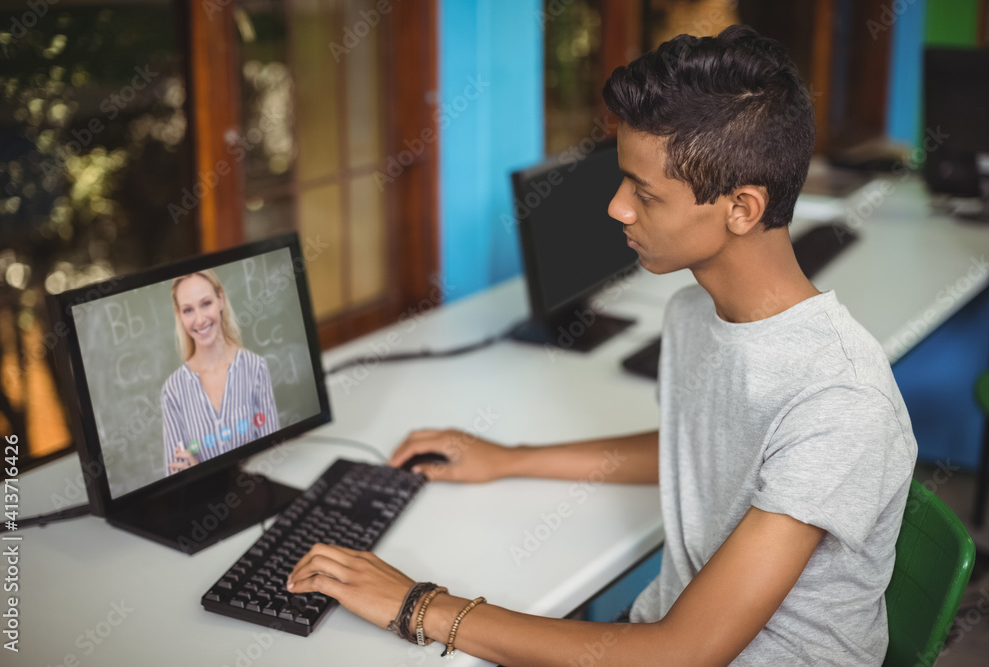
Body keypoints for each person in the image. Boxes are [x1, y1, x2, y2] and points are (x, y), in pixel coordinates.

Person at [286, 26, 917, 666]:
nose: (617, 208)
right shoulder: (695, 313)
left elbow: (681, 654)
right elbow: (703, 449)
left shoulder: (840, 402)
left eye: (644, 193)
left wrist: (419, 607)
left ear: (743, 208)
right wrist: (509, 458)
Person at [161, 269, 279, 475]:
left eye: (206, 304)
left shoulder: (255, 367)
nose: (199, 320)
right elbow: (176, 478)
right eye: (188, 310)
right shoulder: (172, 390)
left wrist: (200, 472)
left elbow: (274, 455)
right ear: (179, 315)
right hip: (205, 506)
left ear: (221, 299)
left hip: (257, 497)